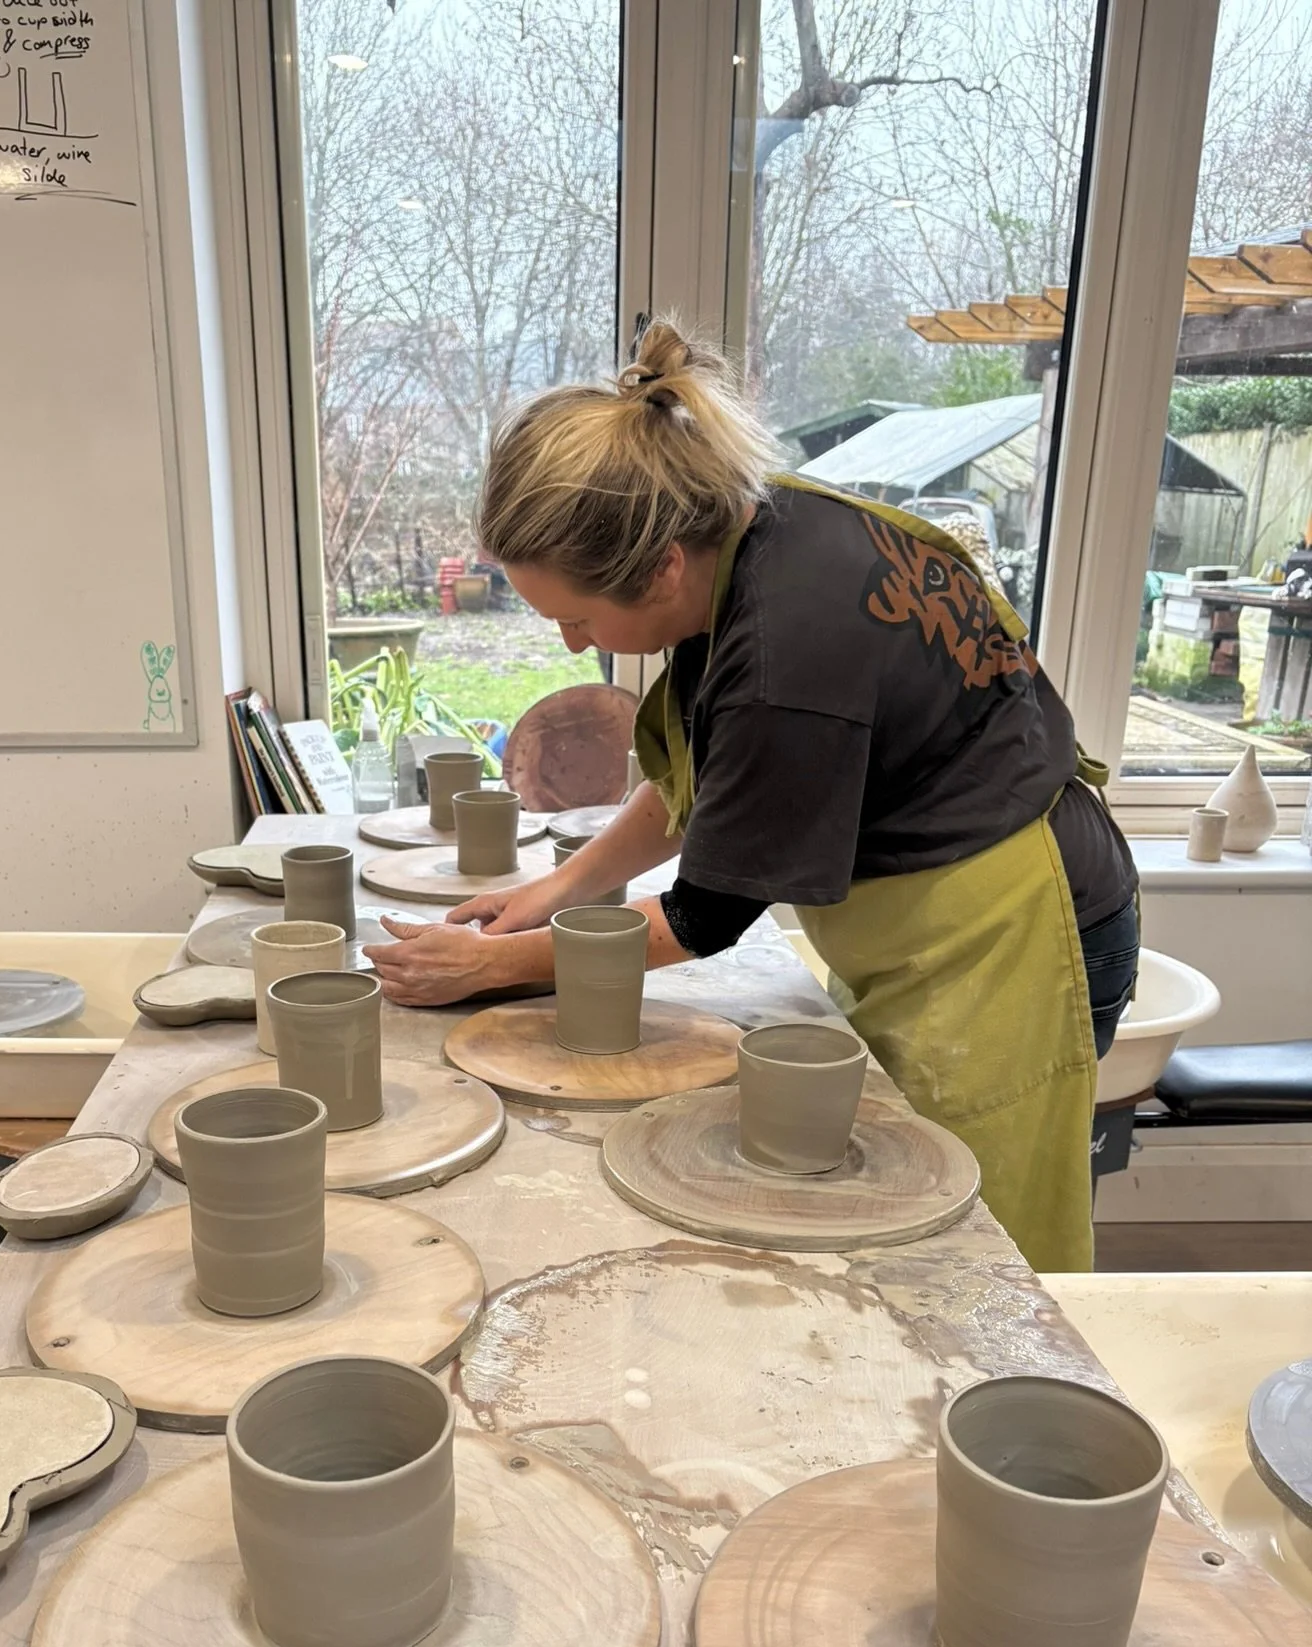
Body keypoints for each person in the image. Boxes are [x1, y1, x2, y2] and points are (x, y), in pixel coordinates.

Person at [364, 320, 1139, 1270]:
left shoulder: (787, 648)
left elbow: (703, 916)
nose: (573, 647)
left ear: (659, 568)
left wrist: (497, 967)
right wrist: (556, 894)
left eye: (577, 617)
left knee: (963, 1247)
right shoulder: (739, 525)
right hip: (945, 906)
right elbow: (706, 772)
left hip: (1014, 928)